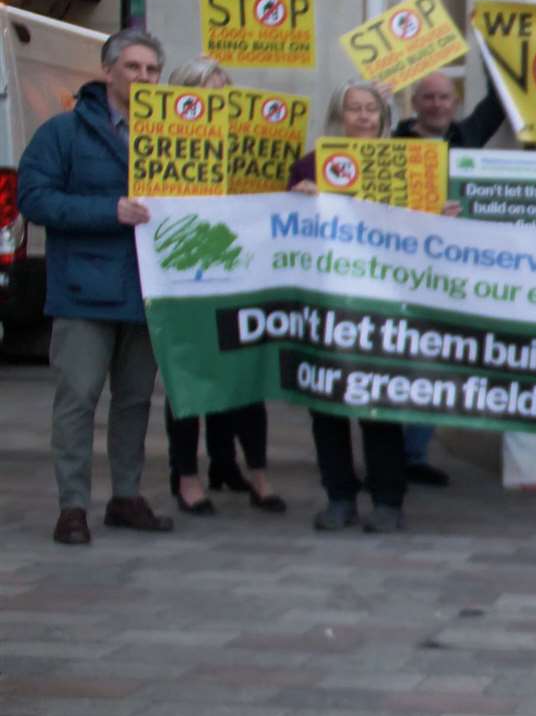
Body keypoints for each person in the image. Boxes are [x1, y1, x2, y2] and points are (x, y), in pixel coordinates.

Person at [19, 29, 174, 544]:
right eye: (134, 68)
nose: (144, 78)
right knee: (78, 399)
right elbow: (35, 199)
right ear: (108, 72)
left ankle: (126, 495)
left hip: (149, 289)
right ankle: (73, 506)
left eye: (152, 70)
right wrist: (109, 212)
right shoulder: (63, 132)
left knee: (134, 401)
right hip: (85, 288)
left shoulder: (175, 134)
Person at [159, 56, 284, 517]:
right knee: (188, 378)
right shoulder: (163, 149)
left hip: (242, 276)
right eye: (208, 94)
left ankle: (253, 469)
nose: (219, 104)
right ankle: (186, 474)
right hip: (187, 278)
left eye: (225, 95)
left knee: (246, 376)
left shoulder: (252, 148)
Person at [289, 81, 411, 533]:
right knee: (328, 406)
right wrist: (297, 200)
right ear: (337, 117)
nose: (362, 117)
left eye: (371, 110)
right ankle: (339, 496)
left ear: (383, 118)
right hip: (326, 302)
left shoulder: (405, 165)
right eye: (353, 109)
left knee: (380, 403)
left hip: (382, 303)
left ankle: (388, 499)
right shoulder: (309, 166)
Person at [391, 70, 508, 487]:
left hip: (452, 275)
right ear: (414, 103)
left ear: (455, 102)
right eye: (428, 97)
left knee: (435, 363)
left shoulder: (467, 135)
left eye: (444, 97)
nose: (437, 104)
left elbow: (499, 101)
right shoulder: (391, 146)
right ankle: (389, 453)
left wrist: (494, 41)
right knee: (395, 363)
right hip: (402, 271)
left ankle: (413, 454)